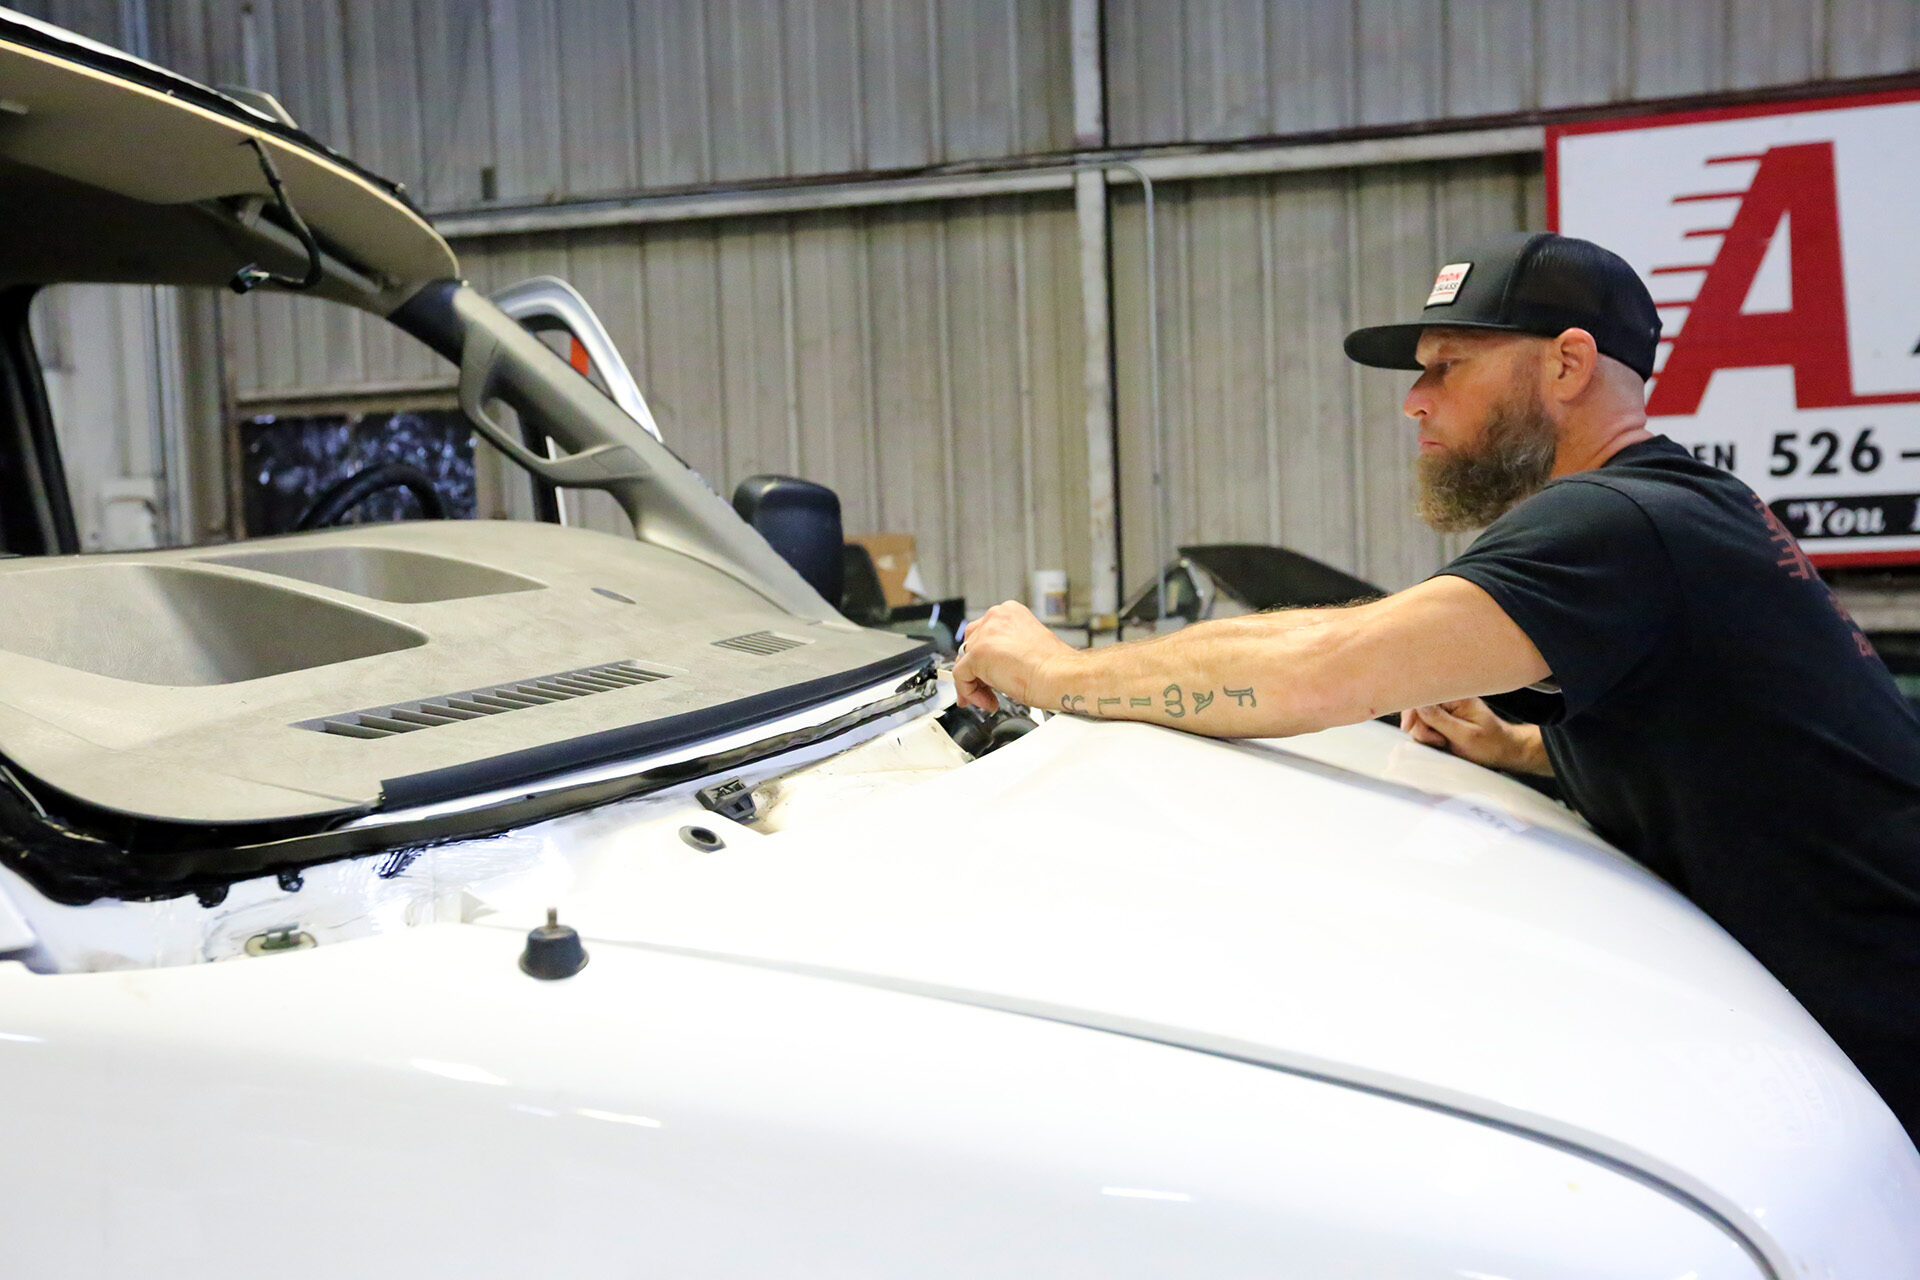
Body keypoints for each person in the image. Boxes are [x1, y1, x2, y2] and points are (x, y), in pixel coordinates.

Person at [952, 231, 1920, 1146]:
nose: (1414, 402)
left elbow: (1323, 667)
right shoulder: (1687, 503)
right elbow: (1744, 742)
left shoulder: (1612, 523)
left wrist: (1060, 672)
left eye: (1447, 366)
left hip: (1880, 1049)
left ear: (1568, 365)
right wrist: (1522, 748)